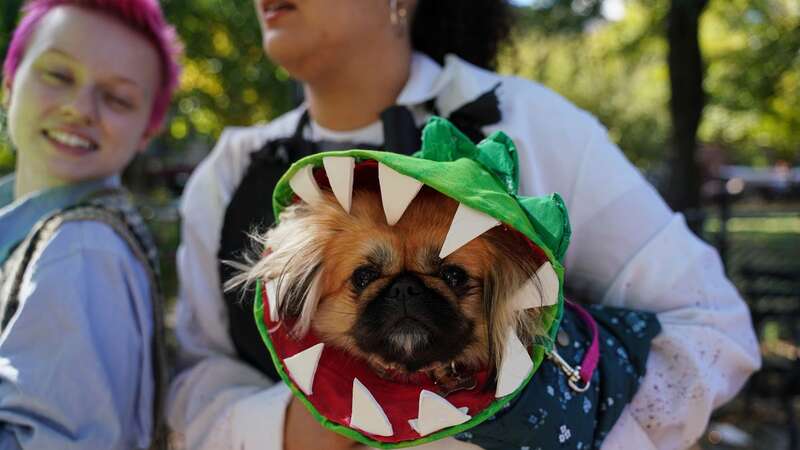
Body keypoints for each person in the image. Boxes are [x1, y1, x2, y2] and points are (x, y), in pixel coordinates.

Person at [167, 1, 760, 449]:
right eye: (364, 280)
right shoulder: (227, 172)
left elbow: (713, 331)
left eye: (449, 277)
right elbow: (195, 384)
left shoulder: (532, 121)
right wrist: (303, 429)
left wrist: (546, 425)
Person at [0, 0, 181, 448]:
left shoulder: (81, 248)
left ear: (146, 132)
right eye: (58, 75)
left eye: (117, 98)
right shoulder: (37, 232)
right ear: (10, 81)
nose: (80, 109)